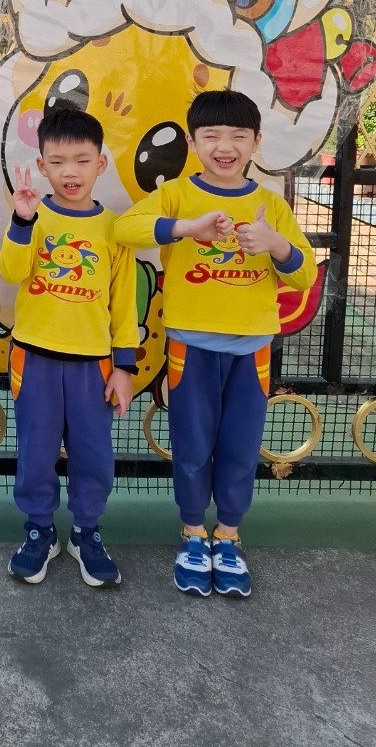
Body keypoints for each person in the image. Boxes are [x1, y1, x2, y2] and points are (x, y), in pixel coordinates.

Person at [115, 89, 316, 598]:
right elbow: (125, 228)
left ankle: (227, 536)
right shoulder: (177, 195)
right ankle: (192, 533)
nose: (225, 147)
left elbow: (305, 275)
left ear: (256, 142)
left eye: (237, 136)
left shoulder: (271, 205)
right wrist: (185, 228)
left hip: (252, 351)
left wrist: (277, 246)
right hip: (190, 347)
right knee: (192, 445)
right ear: (192, 142)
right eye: (212, 136)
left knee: (240, 448)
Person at [0, 108, 138, 587]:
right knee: (35, 452)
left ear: (101, 164)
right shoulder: (32, 216)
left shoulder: (114, 229)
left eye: (81, 160)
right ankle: (39, 530)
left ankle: (85, 532)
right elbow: (11, 272)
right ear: (42, 166)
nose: (70, 172)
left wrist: (124, 367)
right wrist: (21, 221)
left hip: (92, 367)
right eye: (57, 162)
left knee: (93, 455)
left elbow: (124, 307)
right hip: (33, 359)